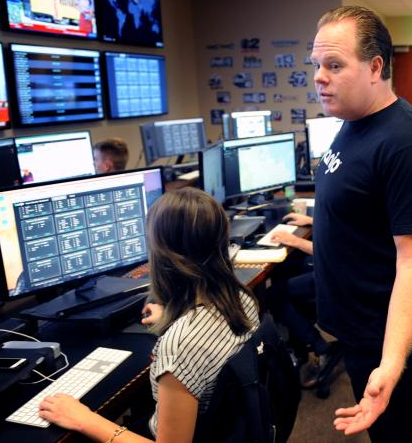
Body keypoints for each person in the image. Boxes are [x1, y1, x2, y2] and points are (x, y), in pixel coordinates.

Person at [310, 6, 412, 440]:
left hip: (385, 337)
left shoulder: (405, 143)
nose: (319, 77)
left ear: (375, 67)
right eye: (316, 65)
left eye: (334, 65)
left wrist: (389, 364)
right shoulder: (353, 120)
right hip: (357, 328)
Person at [37, 187, 259, 441]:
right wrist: (176, 317)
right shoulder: (241, 297)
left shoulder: (179, 345)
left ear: (163, 253)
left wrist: (85, 419)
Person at [268, 212, 341, 388]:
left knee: (273, 296)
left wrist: (296, 241)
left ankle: (321, 347)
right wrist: (312, 221)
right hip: (342, 264)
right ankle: (298, 343)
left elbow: (339, 250)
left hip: (341, 271)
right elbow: (344, 226)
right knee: (288, 267)